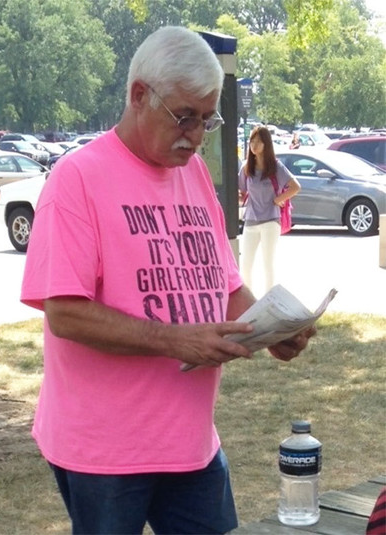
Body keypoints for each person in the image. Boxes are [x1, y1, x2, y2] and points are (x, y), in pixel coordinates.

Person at [21, 26, 315, 535]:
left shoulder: (194, 174)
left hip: (193, 444)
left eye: (207, 119)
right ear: (139, 96)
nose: (196, 135)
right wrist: (176, 340)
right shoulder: (77, 178)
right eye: (184, 117)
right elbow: (64, 312)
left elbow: (224, 285)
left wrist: (269, 328)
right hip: (104, 452)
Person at [239, 126, 301, 293]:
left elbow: (295, 187)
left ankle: (269, 299)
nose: (254, 145)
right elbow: (242, 194)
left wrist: (278, 199)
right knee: (246, 265)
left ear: (266, 144)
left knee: (268, 264)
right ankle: (249, 300)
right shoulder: (246, 168)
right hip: (250, 220)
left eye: (258, 142)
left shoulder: (275, 166)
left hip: (270, 221)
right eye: (252, 141)